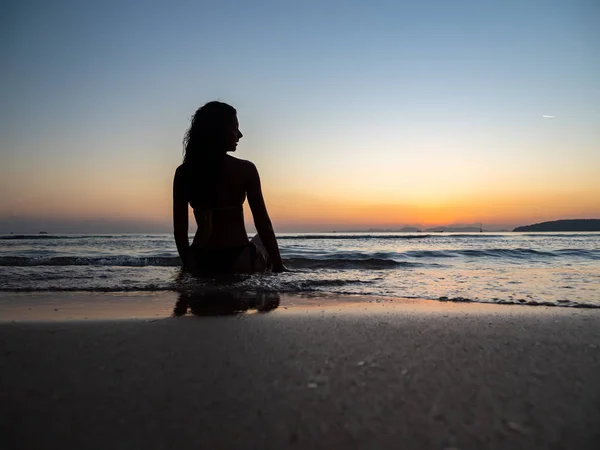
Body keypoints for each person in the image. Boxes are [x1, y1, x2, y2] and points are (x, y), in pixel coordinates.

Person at [173, 101, 286, 274]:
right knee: (261, 241)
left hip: (200, 258)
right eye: (235, 128)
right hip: (237, 258)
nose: (240, 134)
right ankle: (266, 295)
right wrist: (279, 265)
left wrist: (188, 265)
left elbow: (180, 230)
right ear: (219, 131)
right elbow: (263, 223)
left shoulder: (183, 173)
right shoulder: (246, 169)